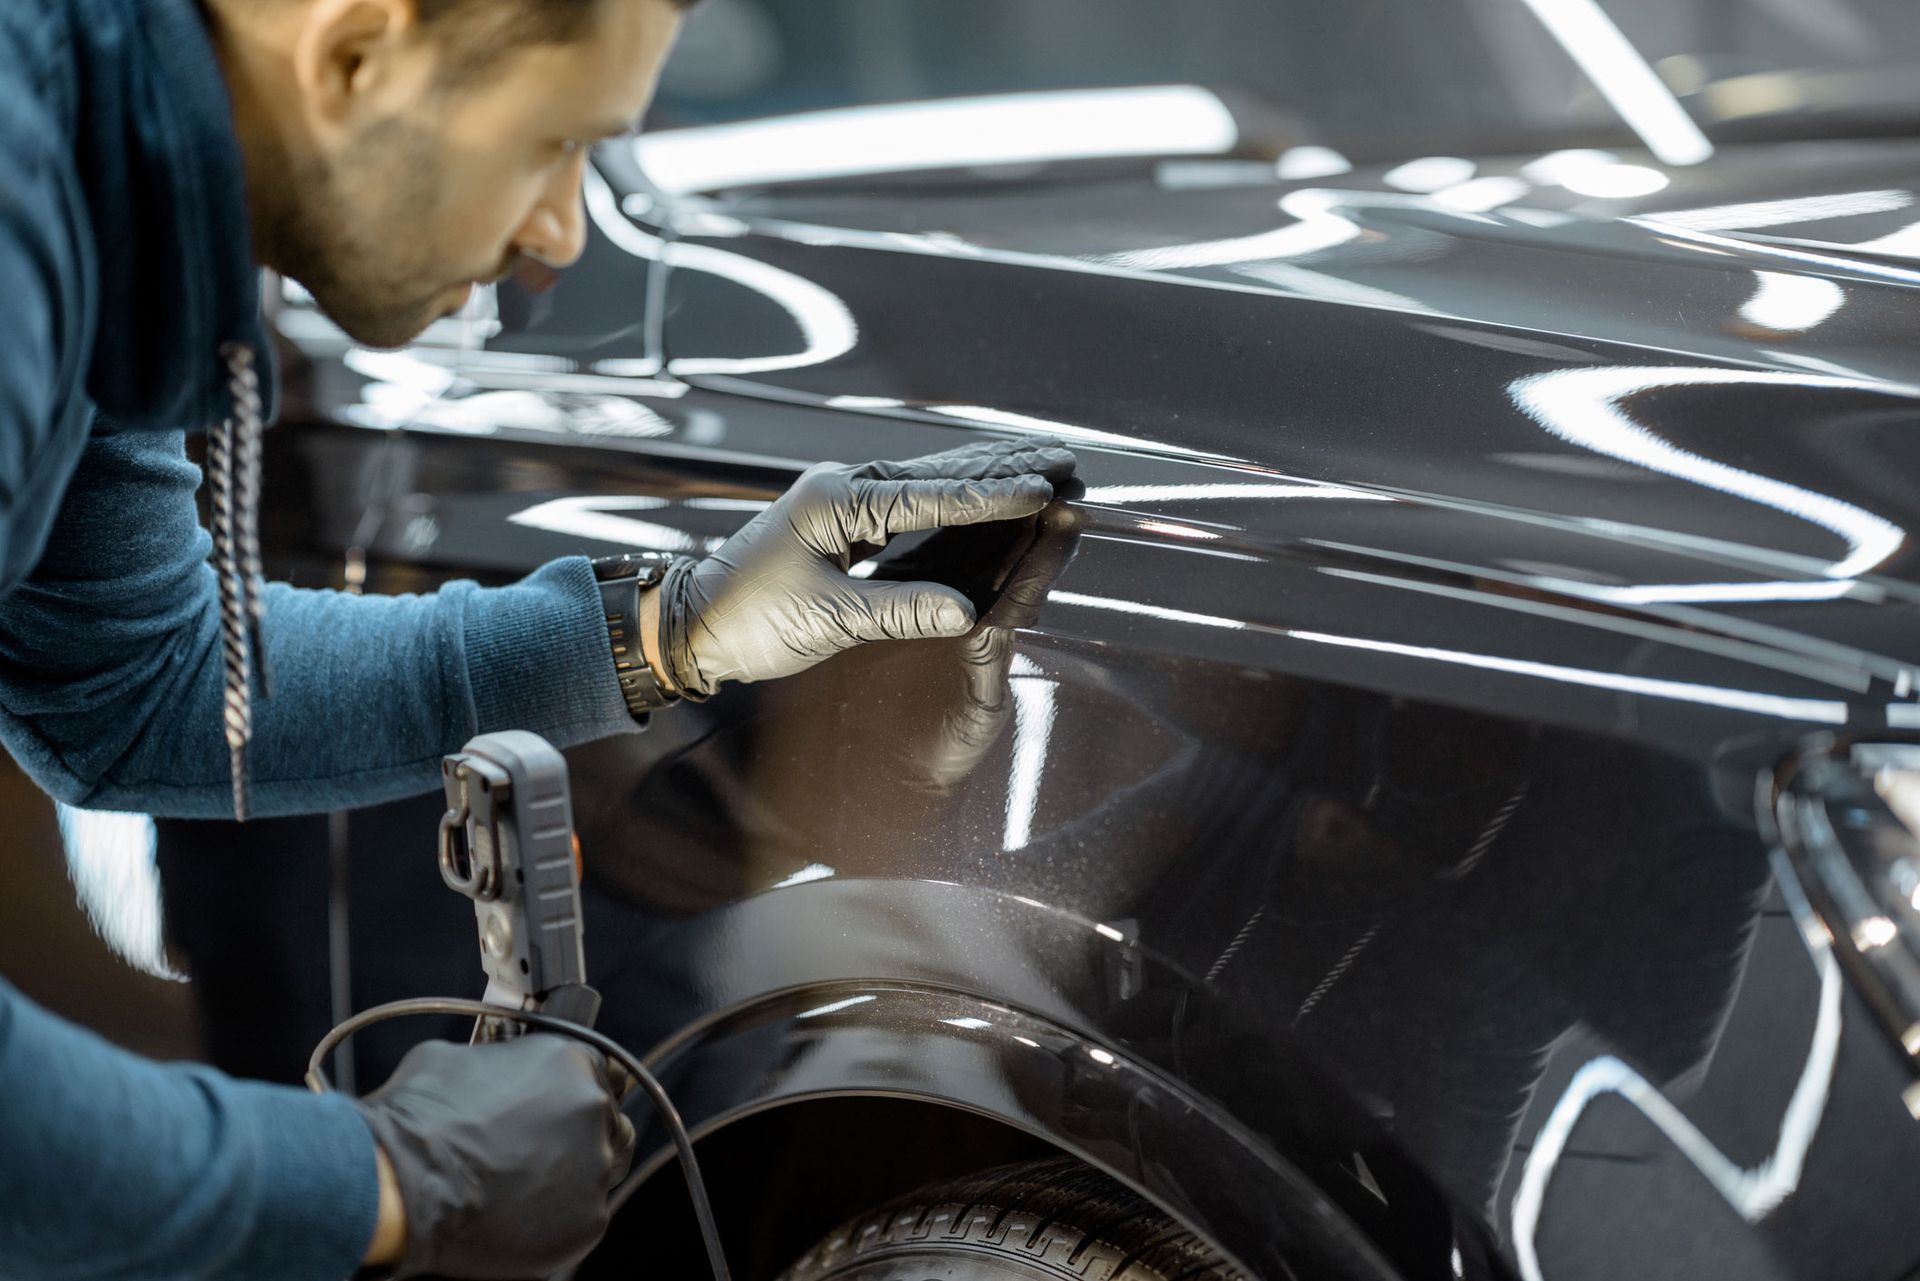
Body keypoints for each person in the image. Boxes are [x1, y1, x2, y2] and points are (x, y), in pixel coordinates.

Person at [0, 0, 1077, 1275]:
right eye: (551, 144)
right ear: (354, 52)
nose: (558, 234)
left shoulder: (109, 178)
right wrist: (381, 1183)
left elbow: (136, 681)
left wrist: (666, 632)